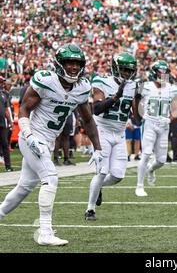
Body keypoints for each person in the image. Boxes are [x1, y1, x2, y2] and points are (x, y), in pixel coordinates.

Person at [0, 43, 103, 246]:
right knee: (50, 177)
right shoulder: (45, 81)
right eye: (69, 62)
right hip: (32, 136)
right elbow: (24, 109)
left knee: (24, 187)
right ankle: (45, 232)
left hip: (48, 140)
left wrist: (98, 148)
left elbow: (88, 119)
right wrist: (28, 135)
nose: (73, 67)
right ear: (59, 64)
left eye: (77, 63)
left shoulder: (82, 87)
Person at [85, 53, 138, 220]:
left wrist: (141, 102)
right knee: (101, 172)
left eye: (129, 71)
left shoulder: (134, 86)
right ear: (115, 68)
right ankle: (90, 209)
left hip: (120, 133)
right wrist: (116, 96)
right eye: (123, 70)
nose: (126, 74)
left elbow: (136, 113)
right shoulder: (102, 82)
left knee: (117, 176)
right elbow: (97, 108)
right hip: (102, 131)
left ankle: (98, 187)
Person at [135, 60, 177, 197]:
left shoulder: (172, 89)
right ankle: (139, 186)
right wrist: (140, 116)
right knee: (146, 153)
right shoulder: (146, 86)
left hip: (164, 126)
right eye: (161, 73)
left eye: (165, 73)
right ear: (154, 73)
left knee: (161, 160)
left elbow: (175, 109)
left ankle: (150, 169)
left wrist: (170, 118)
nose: (163, 76)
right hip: (149, 123)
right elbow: (136, 100)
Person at [0, 76, 13, 172]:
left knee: (5, 143)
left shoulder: (4, 94)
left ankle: (8, 166)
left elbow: (6, 109)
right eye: (1, 81)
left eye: (2, 82)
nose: (1, 83)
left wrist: (10, 121)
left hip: (2, 122)